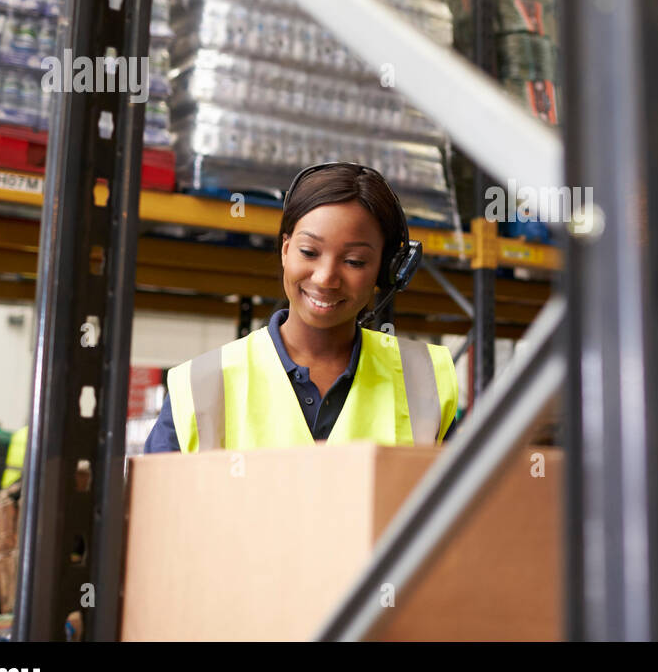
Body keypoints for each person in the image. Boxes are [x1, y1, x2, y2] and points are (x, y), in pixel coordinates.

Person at [144, 162, 459, 453]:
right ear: (285, 250)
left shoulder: (425, 380)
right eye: (309, 252)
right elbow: (157, 509)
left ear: (387, 270)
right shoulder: (200, 386)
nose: (325, 278)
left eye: (354, 261)